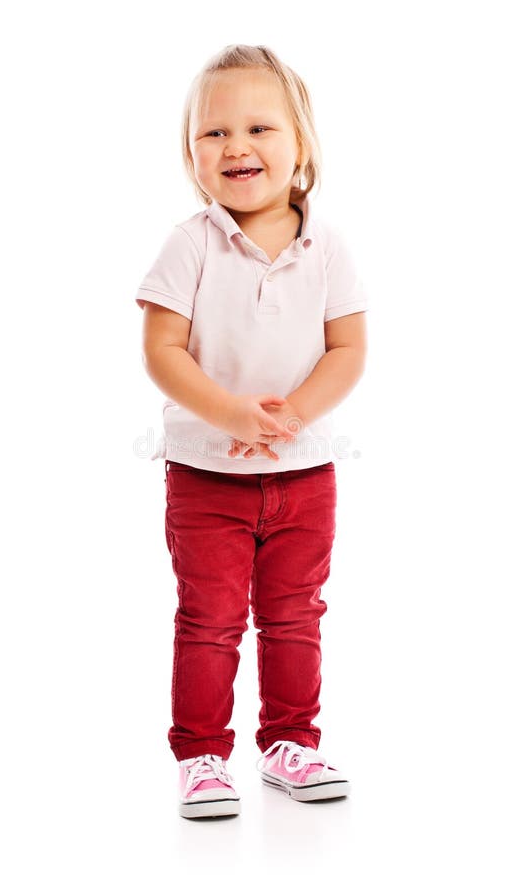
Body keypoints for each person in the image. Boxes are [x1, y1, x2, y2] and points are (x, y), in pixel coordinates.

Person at [135, 44, 368, 819]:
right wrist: (231, 413)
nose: (236, 146)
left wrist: (293, 415)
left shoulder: (327, 246)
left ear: (300, 147)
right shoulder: (190, 243)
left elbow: (347, 349)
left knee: (296, 614)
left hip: (306, 474)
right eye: (214, 133)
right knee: (209, 617)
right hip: (205, 475)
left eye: (259, 127)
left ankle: (290, 742)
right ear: (192, 155)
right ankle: (201, 756)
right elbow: (162, 351)